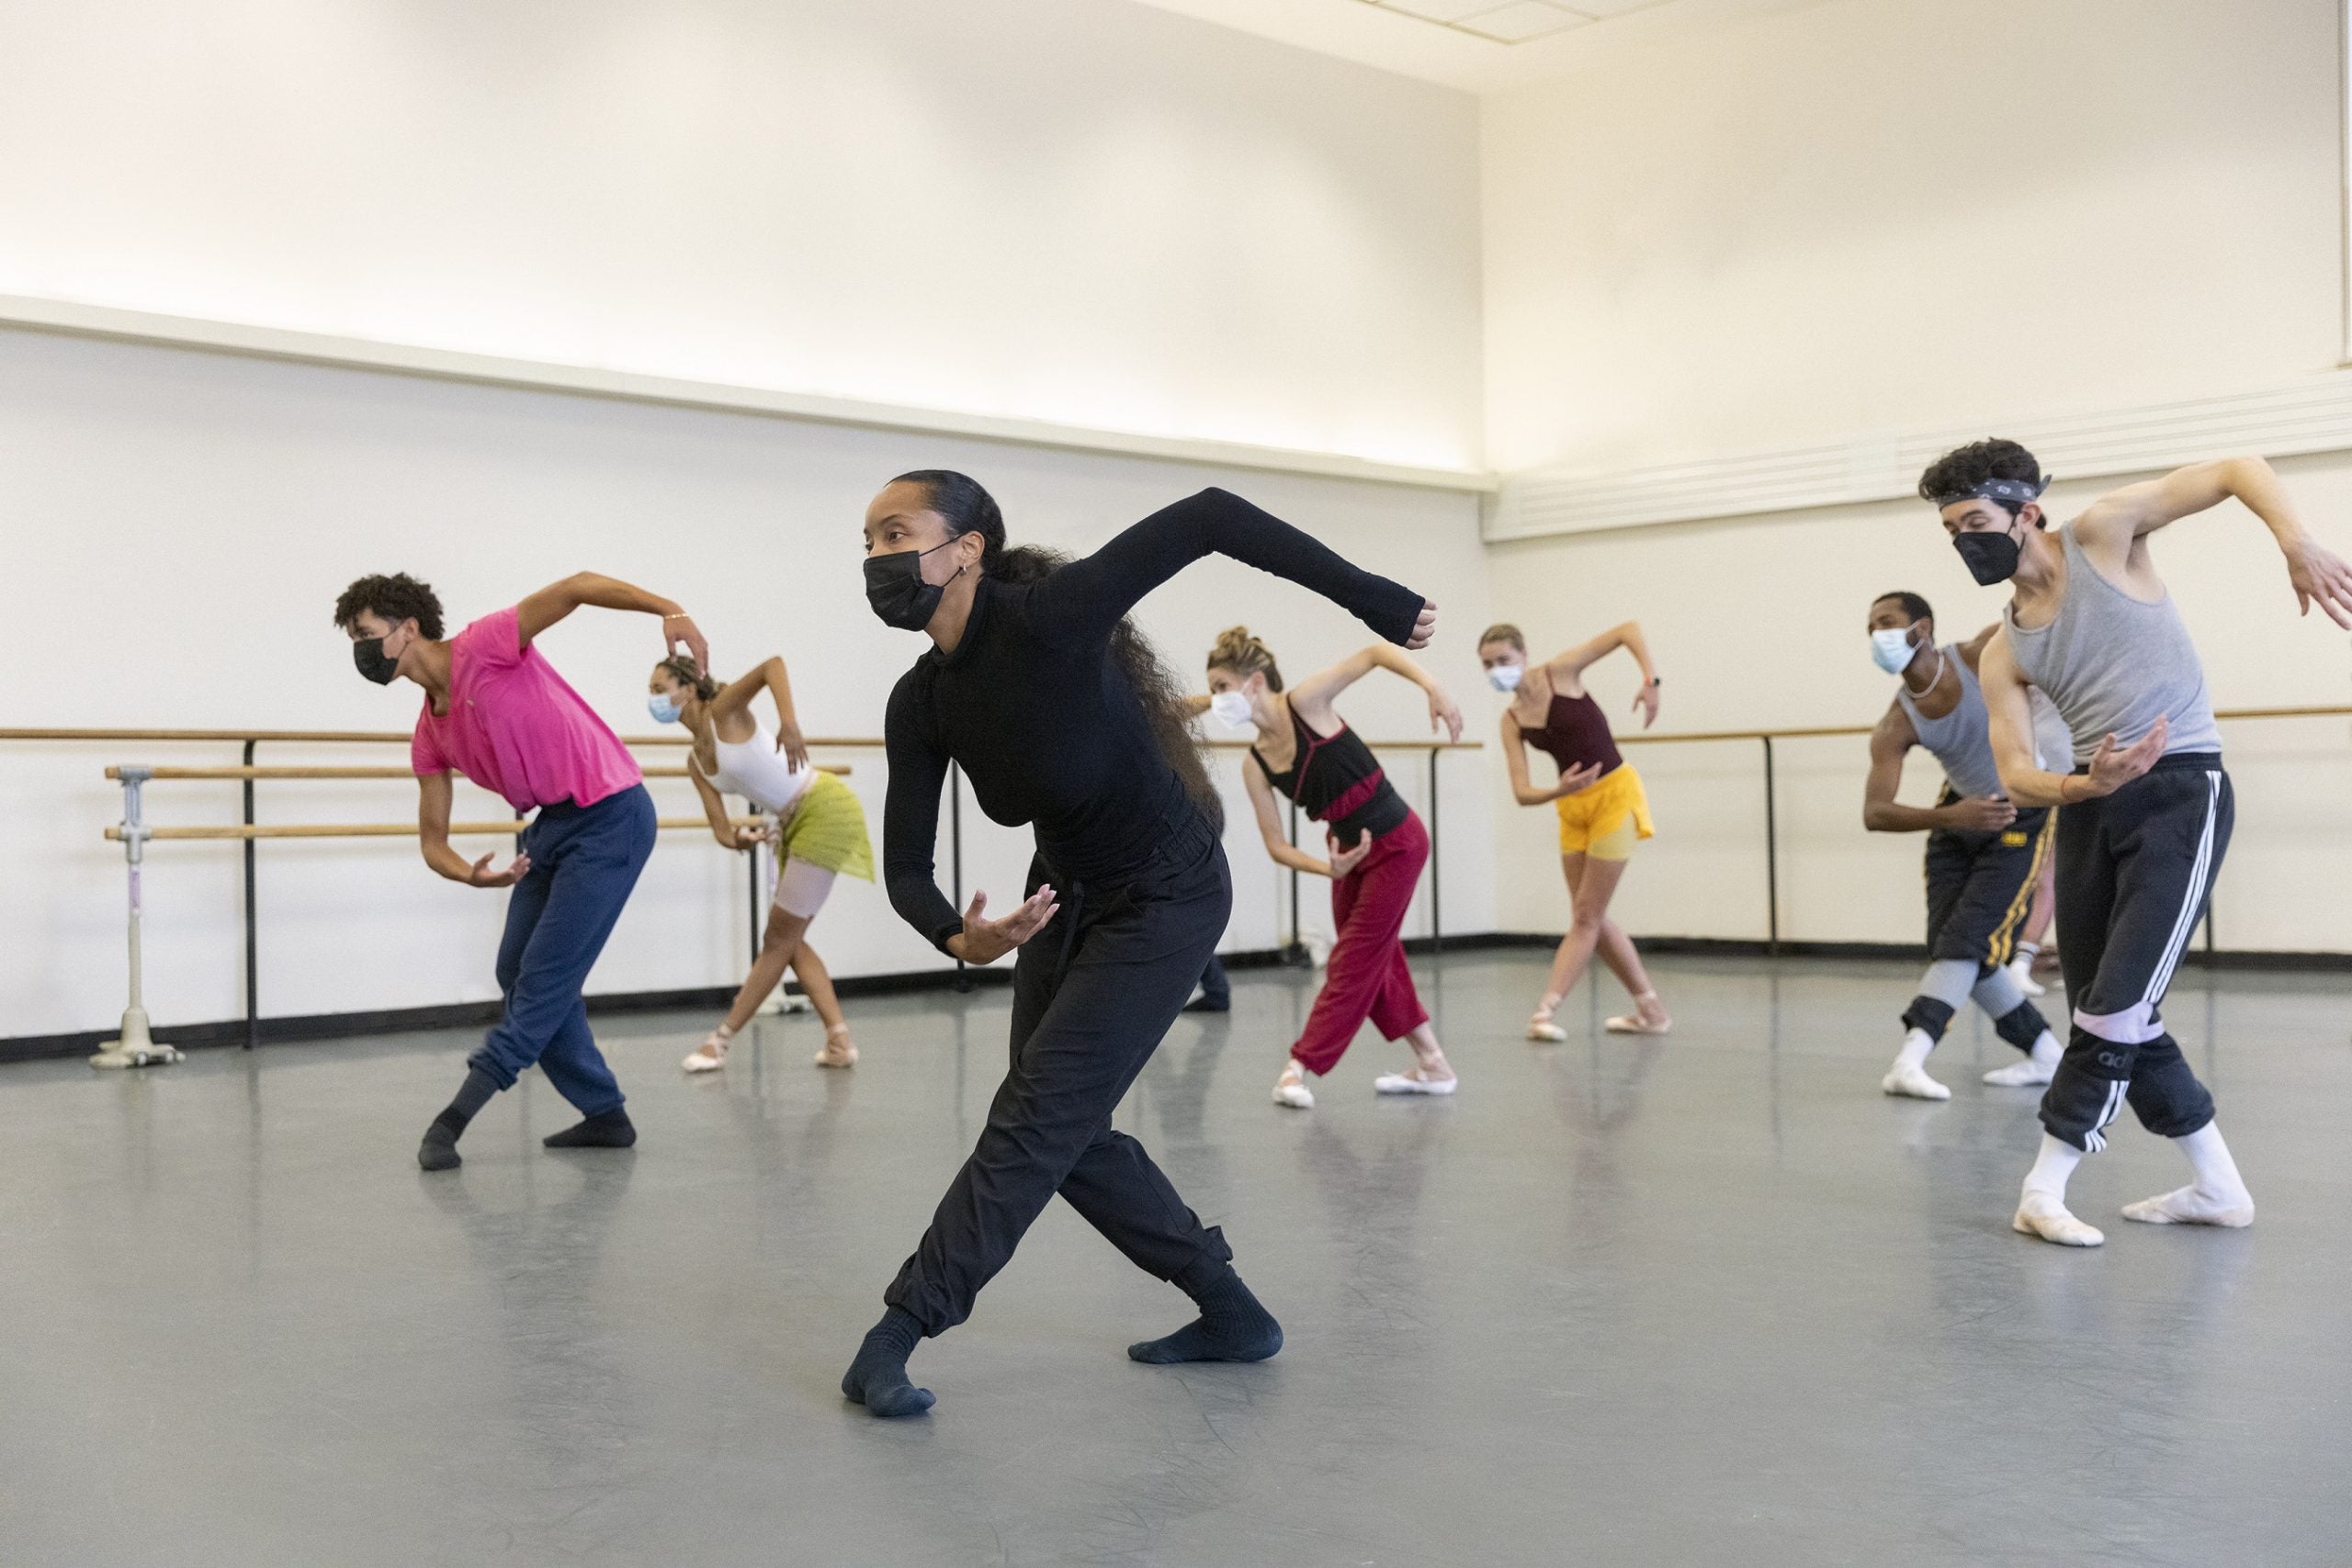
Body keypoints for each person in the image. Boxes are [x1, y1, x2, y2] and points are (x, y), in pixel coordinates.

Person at [842, 471, 1433, 1417]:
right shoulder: (922, 702)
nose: (875, 557)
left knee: (1037, 1115)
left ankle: (901, 1328)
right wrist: (965, 934)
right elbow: (906, 865)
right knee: (1063, 1132)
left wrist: (1372, 596)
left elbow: (1207, 516)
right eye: (866, 540)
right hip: (1061, 894)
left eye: (895, 533)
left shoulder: (1050, 617)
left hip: (1168, 888)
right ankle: (1230, 1311)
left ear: (966, 549)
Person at [1924, 438, 2352, 1247]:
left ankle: (2044, 1182)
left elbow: (2235, 470)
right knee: (2116, 1010)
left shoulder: (2104, 536)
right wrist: (2085, 785)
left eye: (1976, 521)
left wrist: (2295, 544)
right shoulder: (2002, 649)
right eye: (1951, 531)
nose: (1964, 543)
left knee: (2114, 1007)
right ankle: (2219, 1186)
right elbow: (2017, 773)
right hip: (2094, 803)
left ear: (2028, 512)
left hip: (2182, 791)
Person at [333, 570, 707, 1171]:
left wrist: (669, 608)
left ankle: (452, 1119)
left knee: (541, 979)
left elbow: (579, 586)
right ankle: (605, 1113)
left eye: (365, 633)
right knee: (516, 969)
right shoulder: (430, 733)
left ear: (408, 629)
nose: (359, 649)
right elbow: (434, 840)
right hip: (551, 826)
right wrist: (468, 874)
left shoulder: (487, 645)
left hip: (612, 813)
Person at [1198, 626, 1462, 1109]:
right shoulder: (1254, 764)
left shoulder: (1308, 702)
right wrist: (1328, 869)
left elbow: (1376, 652)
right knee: (1377, 959)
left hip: (1398, 841)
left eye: (1221, 688)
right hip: (1347, 855)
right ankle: (1433, 1064)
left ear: (1255, 682)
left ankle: (1298, 1068)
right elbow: (1276, 844)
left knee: (1353, 961)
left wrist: (1434, 686)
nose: (1215, 700)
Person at [1860, 592, 2068, 1099]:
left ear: (1922, 628)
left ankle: (1911, 1056)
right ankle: (2046, 1055)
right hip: (1959, 817)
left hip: (2021, 811)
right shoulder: (1898, 723)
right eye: (1870, 628)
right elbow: (1875, 813)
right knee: (1958, 952)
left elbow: (2042, 622)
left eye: (1887, 623)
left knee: (1964, 945)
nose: (1877, 635)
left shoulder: (1978, 655)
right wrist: (1950, 816)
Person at [646, 652, 874, 1072]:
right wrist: (740, 837)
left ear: (690, 689)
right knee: (789, 940)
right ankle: (839, 1040)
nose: (653, 699)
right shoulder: (695, 762)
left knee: (777, 939)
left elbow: (774, 665)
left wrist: (789, 724)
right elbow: (721, 829)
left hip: (822, 808)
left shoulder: (724, 710)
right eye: (650, 692)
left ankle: (721, 1040)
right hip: (789, 823)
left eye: (660, 689)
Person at [1476, 622, 1671, 1041]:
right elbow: (1522, 792)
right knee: (1590, 916)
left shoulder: (1560, 672)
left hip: (1615, 796)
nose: (1497, 670)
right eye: (1488, 665)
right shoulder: (1511, 721)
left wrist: (1650, 681)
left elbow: (1628, 631)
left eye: (1504, 660)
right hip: (1572, 807)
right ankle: (1651, 1010)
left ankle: (1545, 1010)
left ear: (1524, 655)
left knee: (1586, 915)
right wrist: (1558, 790)